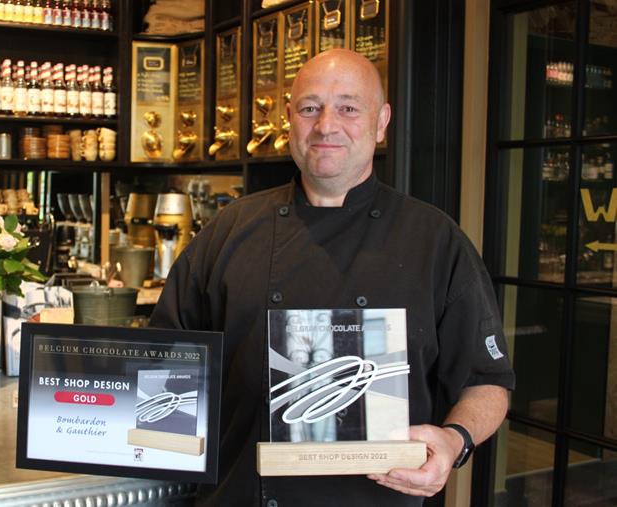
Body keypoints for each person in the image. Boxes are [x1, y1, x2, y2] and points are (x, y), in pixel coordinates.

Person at [149, 49, 515, 505]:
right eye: (309, 108)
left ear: (381, 122)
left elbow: (487, 381)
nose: (326, 125)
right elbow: (164, 358)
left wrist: (454, 441)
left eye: (348, 108)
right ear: (289, 120)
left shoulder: (435, 240)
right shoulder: (229, 231)